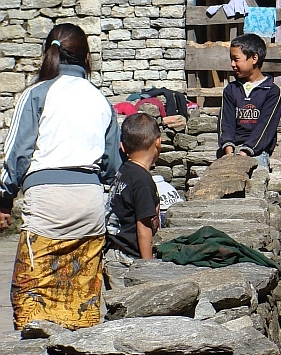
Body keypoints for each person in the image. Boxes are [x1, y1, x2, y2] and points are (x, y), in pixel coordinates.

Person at [0, 24, 121, 330]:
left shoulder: (36, 94)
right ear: (87, 57)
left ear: (48, 52)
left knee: (32, 292)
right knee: (80, 293)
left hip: (47, 204)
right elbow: (111, 166)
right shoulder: (100, 100)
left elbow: (17, 155)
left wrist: (4, 199)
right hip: (90, 205)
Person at [218, 33, 281, 170]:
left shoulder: (271, 91)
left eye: (236, 59)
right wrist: (229, 151)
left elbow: (265, 128)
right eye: (231, 59)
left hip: (256, 151)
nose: (232, 64)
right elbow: (226, 123)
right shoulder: (231, 90)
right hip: (231, 150)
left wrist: (245, 152)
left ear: (254, 58)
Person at [105, 113, 162, 262]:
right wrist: (148, 265)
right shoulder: (143, 182)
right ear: (158, 142)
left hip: (113, 250)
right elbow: (143, 228)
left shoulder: (123, 171)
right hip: (129, 257)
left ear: (122, 147)